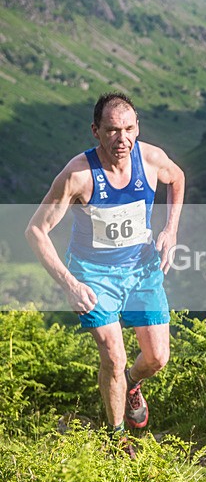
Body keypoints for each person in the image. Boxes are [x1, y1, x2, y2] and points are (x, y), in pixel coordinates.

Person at [26, 92, 185, 454]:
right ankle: (116, 440)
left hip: (141, 268)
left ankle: (131, 385)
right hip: (93, 275)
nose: (122, 138)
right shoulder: (77, 175)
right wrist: (69, 282)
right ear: (96, 131)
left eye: (129, 128)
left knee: (158, 357)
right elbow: (35, 230)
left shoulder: (151, 159)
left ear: (138, 127)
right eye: (112, 130)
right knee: (113, 355)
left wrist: (171, 230)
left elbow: (177, 179)